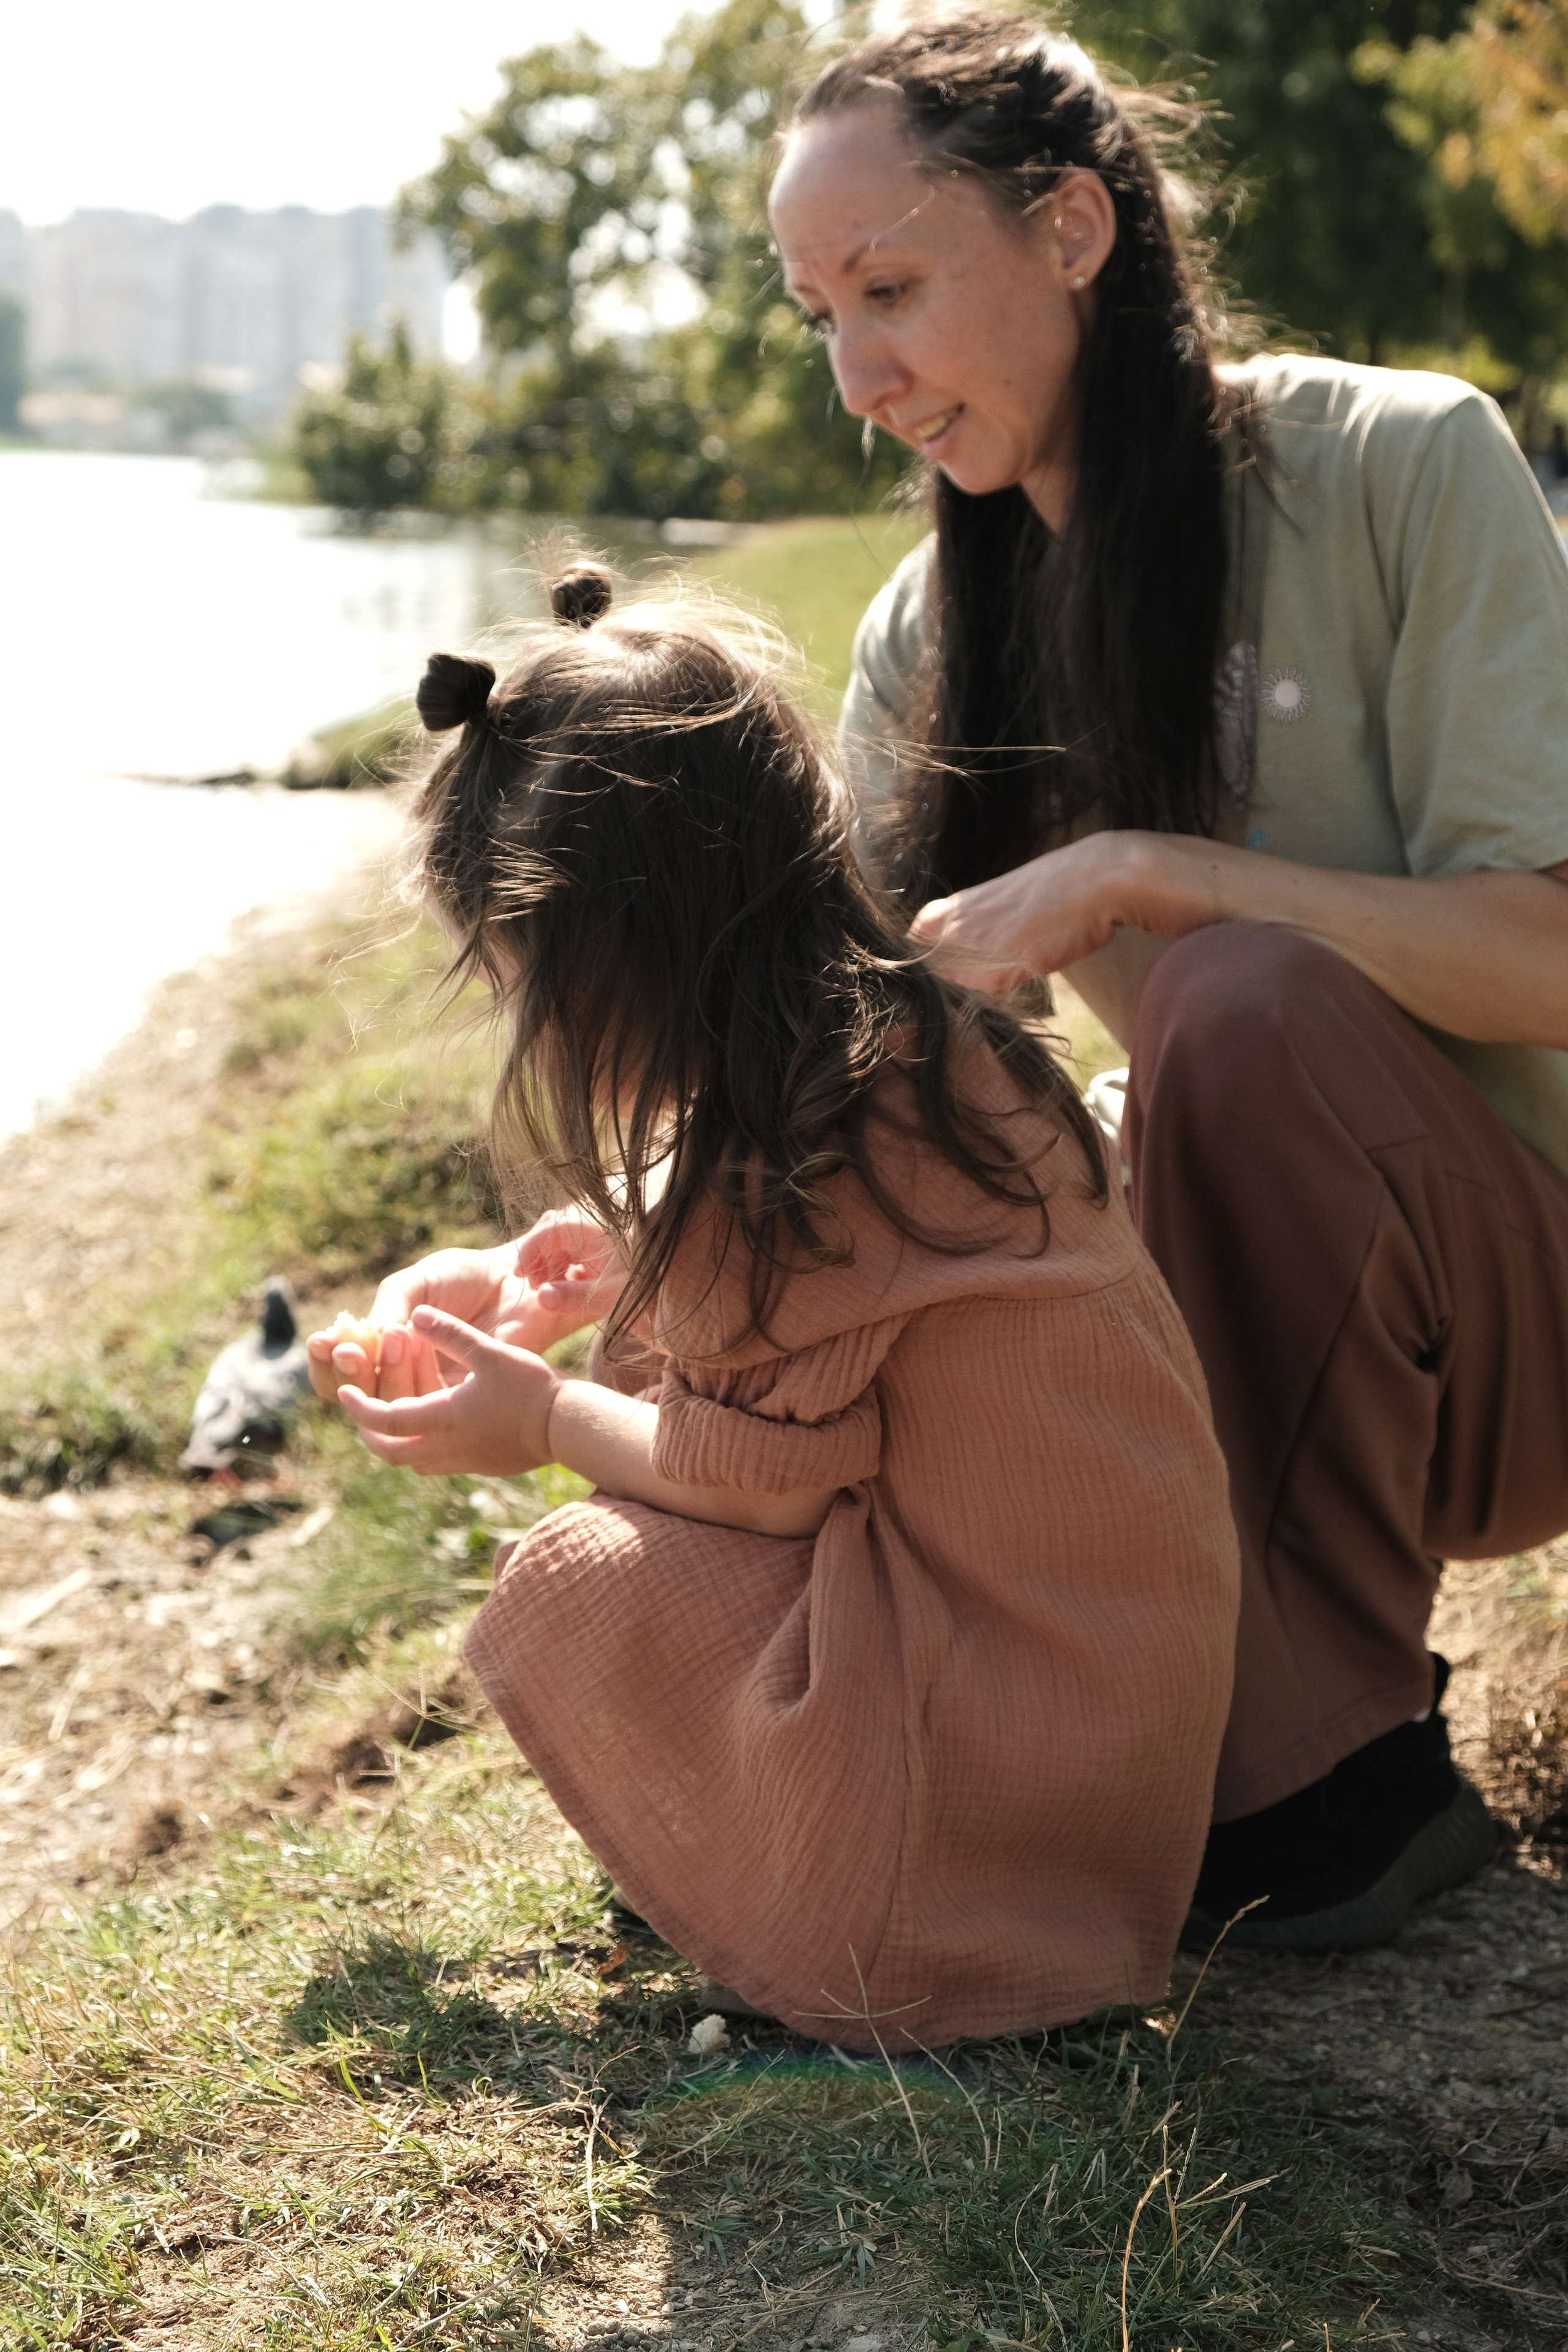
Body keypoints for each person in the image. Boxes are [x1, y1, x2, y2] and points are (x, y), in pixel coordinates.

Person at [767, 5, 1568, 1952]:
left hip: (1529, 1326)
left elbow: (1548, 959)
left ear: (1069, 228)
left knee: (1237, 998)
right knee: (913, 1135)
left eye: (892, 288)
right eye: (821, 317)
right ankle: (954, 1737)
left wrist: (1152, 873)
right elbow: (871, 1066)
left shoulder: (1403, 463)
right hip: (1233, 1340)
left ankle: (1342, 1785)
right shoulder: (924, 634)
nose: (863, 377)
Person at [307, 564, 1240, 2050]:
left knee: (574, 1574)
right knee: (652, 1363)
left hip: (972, 1819)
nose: (517, 1021)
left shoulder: (773, 1164)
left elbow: (751, 1494)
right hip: (1096, 1741)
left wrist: (536, 1414)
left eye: (515, 982)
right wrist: (580, 1259)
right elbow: (858, 1298)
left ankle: (831, 1913)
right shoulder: (926, 1046)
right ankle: (821, 1867)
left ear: (617, 962)